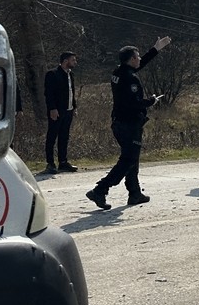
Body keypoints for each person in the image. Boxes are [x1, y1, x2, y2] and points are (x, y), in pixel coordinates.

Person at [86, 36, 172, 210]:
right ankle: (100, 189)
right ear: (131, 59)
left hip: (119, 122)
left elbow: (139, 66)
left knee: (132, 158)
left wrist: (155, 49)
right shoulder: (131, 79)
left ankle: (134, 193)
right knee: (128, 159)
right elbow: (134, 102)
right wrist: (151, 101)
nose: (140, 59)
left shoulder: (118, 72)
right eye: (137, 56)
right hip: (129, 123)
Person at [42, 51, 78, 175]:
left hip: (68, 110)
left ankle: (63, 162)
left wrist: (74, 107)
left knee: (64, 137)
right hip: (56, 111)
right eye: (73, 60)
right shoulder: (53, 74)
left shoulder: (70, 75)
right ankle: (50, 163)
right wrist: (52, 108)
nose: (75, 62)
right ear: (65, 61)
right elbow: (49, 93)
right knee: (52, 136)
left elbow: (71, 91)